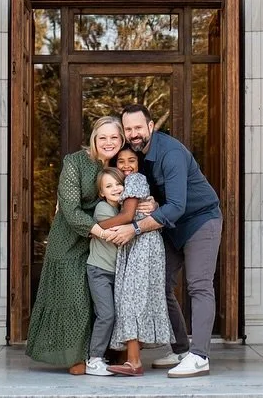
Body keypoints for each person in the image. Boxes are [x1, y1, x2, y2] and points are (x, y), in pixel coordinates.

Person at [107, 103, 222, 378]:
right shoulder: (135, 157)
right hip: (170, 227)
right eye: (128, 129)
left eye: (138, 128)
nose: (133, 134)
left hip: (200, 220)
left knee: (199, 285)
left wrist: (134, 230)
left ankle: (200, 357)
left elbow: (177, 207)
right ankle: (182, 350)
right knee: (160, 282)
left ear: (150, 127)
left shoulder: (170, 152)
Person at [25, 115, 127, 373]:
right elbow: (70, 210)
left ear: (122, 139)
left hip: (106, 246)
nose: (108, 142)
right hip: (71, 240)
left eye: (114, 137)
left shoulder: (124, 164)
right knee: (75, 296)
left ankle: (104, 354)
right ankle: (75, 357)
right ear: (94, 139)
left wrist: (148, 203)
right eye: (102, 137)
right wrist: (101, 232)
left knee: (103, 300)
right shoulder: (75, 162)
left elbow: (137, 195)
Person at [104, 146, 174, 376]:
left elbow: (126, 216)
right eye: (120, 161)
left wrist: (89, 227)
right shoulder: (126, 184)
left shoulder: (135, 179)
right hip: (140, 244)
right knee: (136, 297)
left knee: (131, 299)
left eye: (131, 160)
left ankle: (134, 362)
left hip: (143, 244)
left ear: (139, 163)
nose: (126, 165)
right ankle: (131, 357)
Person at [84, 166, 125, 377]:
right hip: (99, 270)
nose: (115, 188)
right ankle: (94, 359)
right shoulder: (103, 209)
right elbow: (116, 233)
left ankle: (109, 355)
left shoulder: (122, 208)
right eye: (109, 186)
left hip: (117, 272)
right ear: (102, 193)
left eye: (118, 183)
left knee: (115, 314)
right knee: (106, 314)